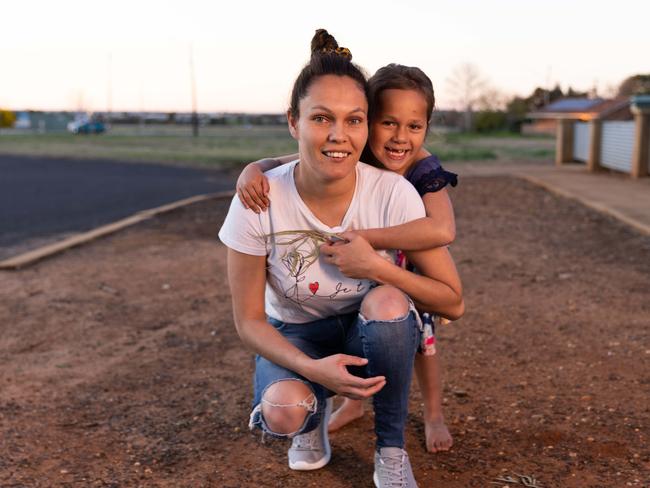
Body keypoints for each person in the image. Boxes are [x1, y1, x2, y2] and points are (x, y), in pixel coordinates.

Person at [219, 29, 463, 488]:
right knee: (285, 410)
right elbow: (248, 321)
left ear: (364, 124)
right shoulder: (259, 197)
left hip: (366, 327)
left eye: (354, 120)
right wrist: (312, 370)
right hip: (297, 333)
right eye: (321, 118)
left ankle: (391, 448)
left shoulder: (399, 188)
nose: (338, 134)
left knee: (390, 302)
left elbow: (452, 292)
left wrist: (375, 264)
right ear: (294, 121)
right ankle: (309, 425)